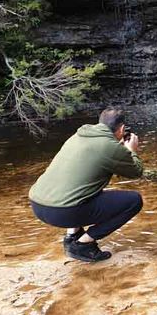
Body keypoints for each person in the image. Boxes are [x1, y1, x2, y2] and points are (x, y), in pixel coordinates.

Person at [29, 107, 144, 263]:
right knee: (134, 201)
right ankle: (84, 244)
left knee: (85, 186)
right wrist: (131, 151)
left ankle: (72, 236)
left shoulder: (78, 136)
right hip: (63, 212)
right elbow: (136, 171)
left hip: (38, 205)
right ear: (122, 129)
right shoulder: (109, 147)